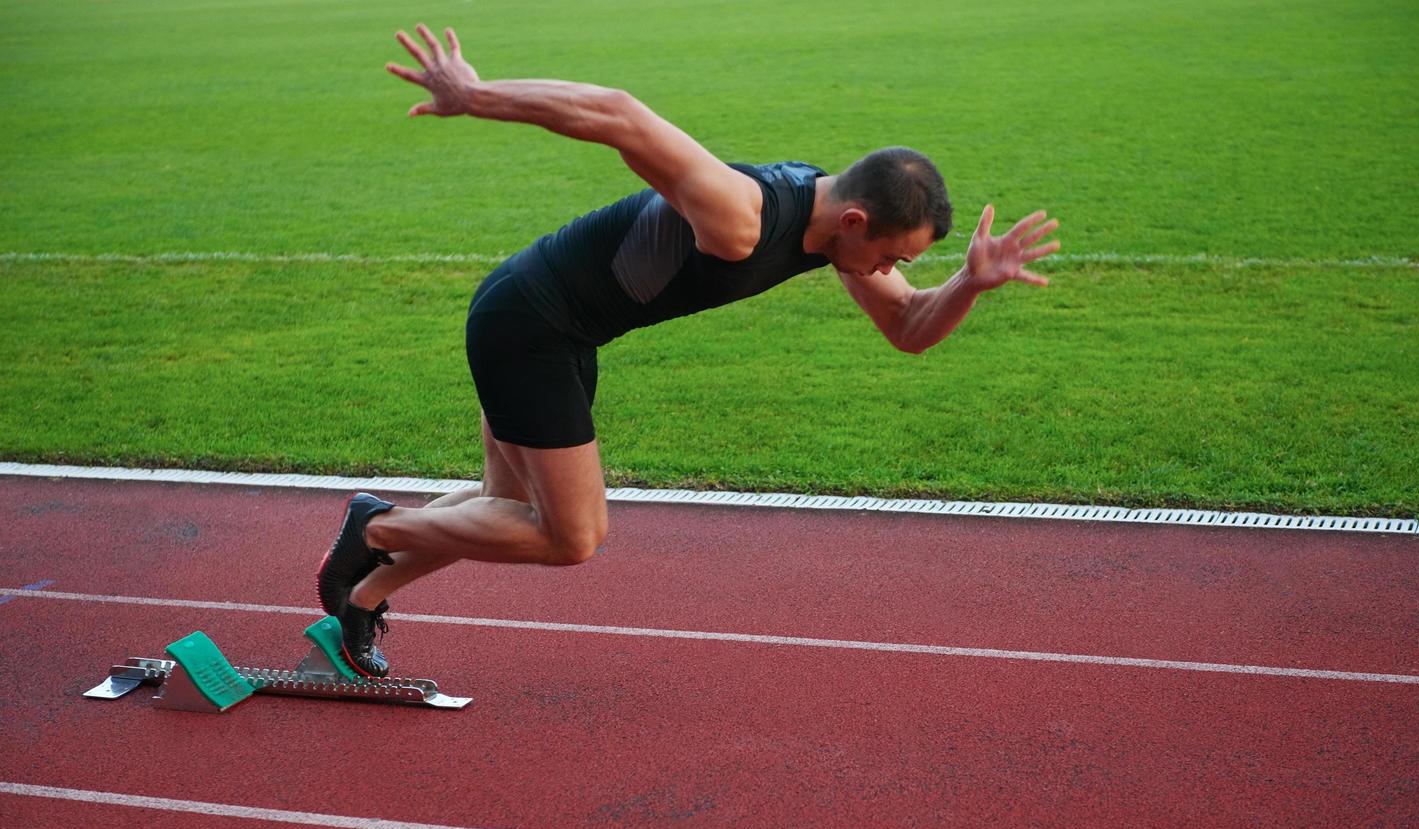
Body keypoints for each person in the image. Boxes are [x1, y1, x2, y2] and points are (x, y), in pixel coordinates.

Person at [317, 24, 1061, 676]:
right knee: (571, 535)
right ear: (858, 222)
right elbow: (618, 113)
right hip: (529, 324)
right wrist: (476, 96)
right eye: (891, 258)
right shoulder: (745, 216)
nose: (888, 275)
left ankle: (359, 595)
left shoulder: (831, 231)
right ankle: (372, 529)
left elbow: (908, 330)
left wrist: (968, 282)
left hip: (557, 326)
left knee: (505, 509)